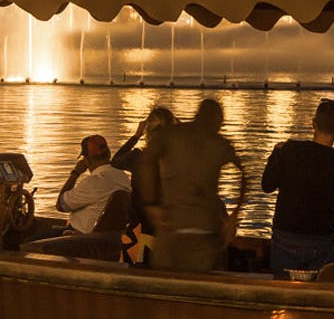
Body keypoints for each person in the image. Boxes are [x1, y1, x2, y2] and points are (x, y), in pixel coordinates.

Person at [139, 98, 246, 272]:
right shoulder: (218, 143)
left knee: (165, 283)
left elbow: (146, 160)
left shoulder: (173, 135)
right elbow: (244, 175)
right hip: (198, 230)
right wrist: (234, 215)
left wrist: (151, 204)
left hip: (174, 226)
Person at [262, 97, 334, 276]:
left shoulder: (289, 150)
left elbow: (267, 185)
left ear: (313, 123)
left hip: (286, 235)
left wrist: (276, 154)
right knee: (317, 294)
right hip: (321, 239)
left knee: (282, 293)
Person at [111, 106, 177, 262]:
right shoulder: (178, 160)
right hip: (166, 230)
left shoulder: (138, 158)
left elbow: (115, 162)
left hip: (138, 230)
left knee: (133, 273)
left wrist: (136, 136)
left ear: (148, 131)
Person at [55, 134, 131, 234]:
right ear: (108, 155)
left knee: (29, 243)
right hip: (111, 237)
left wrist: (75, 173)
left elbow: (61, 206)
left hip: (81, 239)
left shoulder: (92, 182)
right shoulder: (124, 177)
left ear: (86, 159)